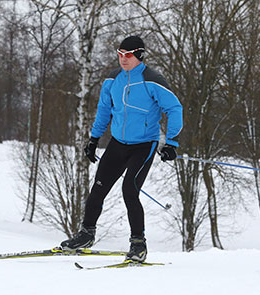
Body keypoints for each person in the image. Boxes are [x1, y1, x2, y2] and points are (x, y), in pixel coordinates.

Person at [61, 36, 183, 262]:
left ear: (139, 55)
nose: (123, 59)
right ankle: (86, 234)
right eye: (120, 54)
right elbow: (104, 110)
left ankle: (138, 244)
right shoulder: (112, 80)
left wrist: (172, 143)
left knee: (130, 190)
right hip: (118, 144)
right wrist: (94, 139)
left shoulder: (152, 80)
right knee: (98, 188)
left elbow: (175, 108)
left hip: (144, 145)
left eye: (128, 55)